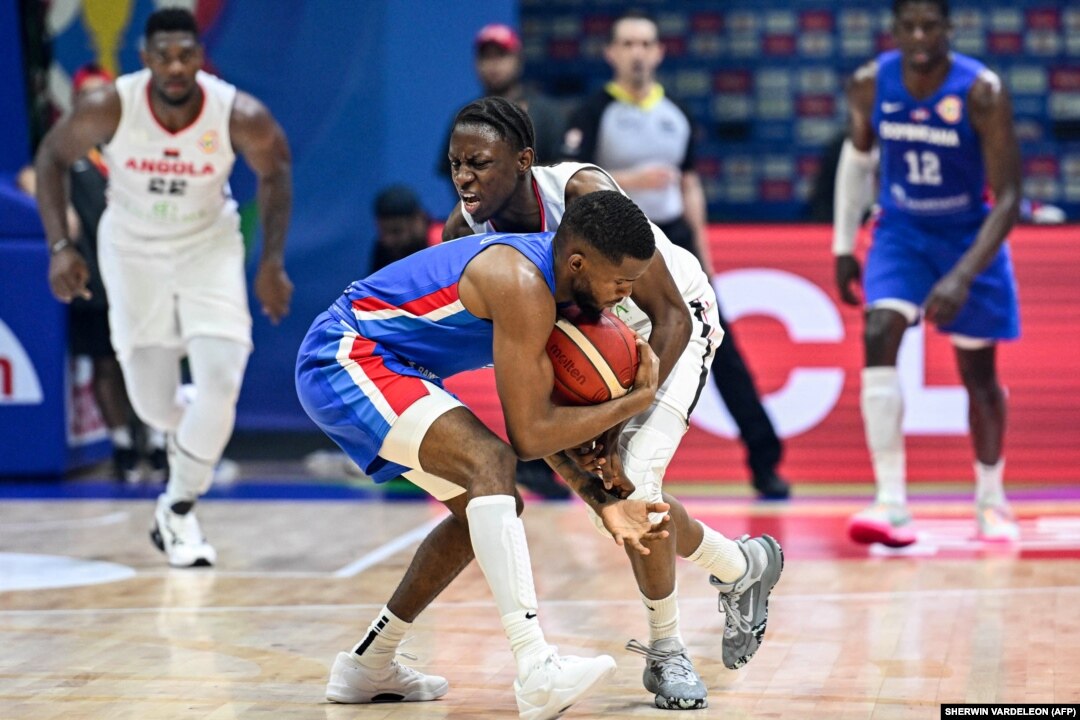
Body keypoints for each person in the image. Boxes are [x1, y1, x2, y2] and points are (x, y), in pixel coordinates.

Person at [444, 97, 784, 709]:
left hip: (667, 329)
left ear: (523, 161)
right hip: (589, 353)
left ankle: (667, 651)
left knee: (638, 482)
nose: (464, 177)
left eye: (480, 163)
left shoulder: (583, 191)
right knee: (620, 500)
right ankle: (739, 566)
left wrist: (625, 411)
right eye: (456, 163)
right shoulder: (461, 236)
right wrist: (577, 439)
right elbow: (523, 379)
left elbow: (671, 313)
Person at [297, 191, 674, 719]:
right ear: (578, 263)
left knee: (487, 508)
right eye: (620, 282)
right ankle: (535, 667)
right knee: (489, 465)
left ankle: (371, 663)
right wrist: (638, 399)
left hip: (397, 369)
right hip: (346, 354)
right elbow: (527, 438)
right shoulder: (520, 283)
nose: (624, 296)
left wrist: (601, 499)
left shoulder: (560, 290)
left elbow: (535, 426)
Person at [33, 8, 293, 566]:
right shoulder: (111, 105)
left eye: (186, 55)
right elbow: (52, 157)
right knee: (153, 407)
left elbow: (277, 171)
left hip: (209, 245)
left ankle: (176, 510)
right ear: (146, 58)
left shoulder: (236, 112)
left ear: (200, 58)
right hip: (132, 249)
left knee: (223, 376)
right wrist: (60, 248)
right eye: (164, 56)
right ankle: (195, 424)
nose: (176, 66)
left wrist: (270, 262)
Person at [562, 10, 791, 500]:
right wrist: (637, 180)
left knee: (720, 351)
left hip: (675, 244)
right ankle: (563, 462)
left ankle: (765, 460)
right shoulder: (591, 113)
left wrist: (704, 255)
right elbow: (574, 184)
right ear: (612, 54)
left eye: (646, 43)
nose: (638, 53)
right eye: (627, 43)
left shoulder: (677, 115)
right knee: (582, 350)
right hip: (614, 250)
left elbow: (689, 184)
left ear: (659, 52)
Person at [833, 0, 1022, 547]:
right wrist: (843, 245)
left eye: (930, 25)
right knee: (877, 330)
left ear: (949, 29)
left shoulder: (981, 91)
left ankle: (991, 497)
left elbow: (1009, 197)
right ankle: (890, 501)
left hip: (969, 235)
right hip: (901, 232)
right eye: (908, 26)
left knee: (979, 375)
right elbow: (857, 161)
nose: (919, 35)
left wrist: (962, 276)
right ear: (894, 31)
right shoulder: (870, 83)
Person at [18, 63, 167, 484]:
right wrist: (59, 212)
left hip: (143, 271)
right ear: (76, 101)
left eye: (106, 94)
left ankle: (156, 443)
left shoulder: (137, 144)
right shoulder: (68, 152)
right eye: (89, 95)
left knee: (148, 359)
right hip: (97, 278)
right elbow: (31, 174)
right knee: (105, 363)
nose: (98, 103)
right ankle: (122, 447)